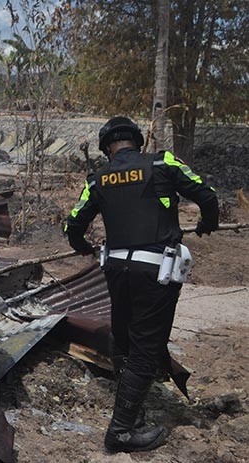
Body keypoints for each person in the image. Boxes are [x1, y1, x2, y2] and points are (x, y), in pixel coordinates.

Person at [64, 116, 219, 453]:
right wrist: (209, 223)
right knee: (146, 348)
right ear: (138, 141)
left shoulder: (98, 179)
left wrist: (83, 248)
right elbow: (207, 195)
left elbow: (73, 225)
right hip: (155, 271)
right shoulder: (162, 163)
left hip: (117, 271)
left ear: (107, 148)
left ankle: (131, 417)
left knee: (123, 338)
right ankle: (120, 432)